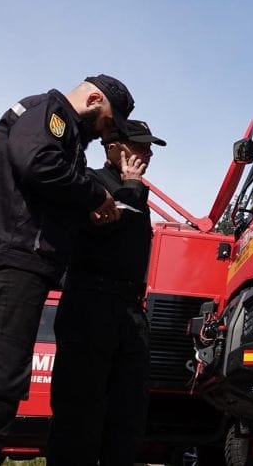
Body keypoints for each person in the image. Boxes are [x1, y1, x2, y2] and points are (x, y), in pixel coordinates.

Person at [0, 75, 135, 466]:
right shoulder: (51, 113)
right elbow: (37, 162)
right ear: (94, 98)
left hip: (1, 262)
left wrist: (89, 212)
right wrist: (94, 194)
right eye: (107, 123)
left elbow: (43, 188)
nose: (105, 135)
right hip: (6, 262)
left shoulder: (58, 128)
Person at [47, 119, 166, 466]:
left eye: (149, 148)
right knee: (79, 415)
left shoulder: (136, 192)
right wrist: (130, 188)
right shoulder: (91, 183)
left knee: (128, 416)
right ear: (112, 146)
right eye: (139, 146)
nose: (147, 153)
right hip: (90, 304)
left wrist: (133, 188)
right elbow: (105, 233)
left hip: (129, 311)